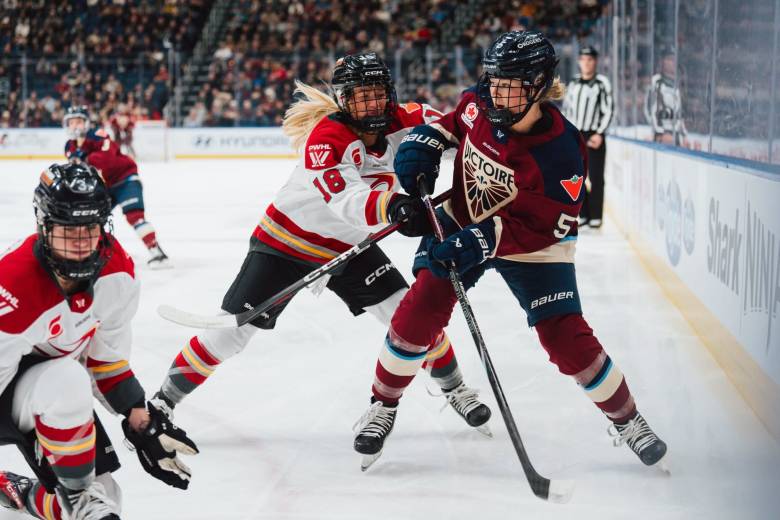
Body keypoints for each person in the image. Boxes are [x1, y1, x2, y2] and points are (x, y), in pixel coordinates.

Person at [152, 53, 491, 468]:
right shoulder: (326, 139)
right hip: (286, 244)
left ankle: (454, 388)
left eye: (377, 94)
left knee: (410, 318)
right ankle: (161, 403)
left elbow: (463, 130)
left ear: (390, 94)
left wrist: (495, 141)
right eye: (360, 96)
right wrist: (394, 207)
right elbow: (347, 200)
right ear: (343, 100)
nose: (370, 104)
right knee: (231, 335)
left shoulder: (411, 119)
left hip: (351, 248)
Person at [353, 31, 668, 469]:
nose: (497, 94)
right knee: (419, 309)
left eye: (510, 86)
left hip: (532, 243)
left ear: (539, 86)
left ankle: (627, 419)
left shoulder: (562, 152)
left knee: (564, 338)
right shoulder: (480, 103)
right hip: (464, 218)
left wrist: (485, 238)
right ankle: (382, 404)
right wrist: (427, 141)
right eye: (494, 82)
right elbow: (453, 123)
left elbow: (548, 224)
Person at [0, 163, 198, 520]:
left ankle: (24, 493)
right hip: (15, 384)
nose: (81, 241)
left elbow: (103, 359)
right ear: (44, 227)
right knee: (66, 381)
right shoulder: (13, 285)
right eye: (67, 230)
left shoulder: (117, 275)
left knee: (105, 500)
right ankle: (77, 496)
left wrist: (139, 418)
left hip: (46, 385)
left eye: (90, 228)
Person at [63, 106, 169, 268]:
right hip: (103, 187)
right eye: (71, 122)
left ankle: (157, 253)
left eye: (78, 121)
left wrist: (86, 158)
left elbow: (107, 159)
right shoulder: (69, 147)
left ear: (86, 123)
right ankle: (91, 255)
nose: (75, 125)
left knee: (134, 215)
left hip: (125, 180)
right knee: (91, 219)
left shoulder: (99, 135)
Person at [563, 45, 613, 228]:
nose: (586, 63)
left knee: (596, 177)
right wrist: (567, 133)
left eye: (590, 59)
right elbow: (567, 109)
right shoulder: (573, 83)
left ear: (595, 61)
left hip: (594, 135)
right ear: (579, 61)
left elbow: (608, 110)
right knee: (576, 176)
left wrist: (600, 133)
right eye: (583, 59)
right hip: (576, 135)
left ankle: (596, 216)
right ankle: (583, 213)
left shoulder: (602, 83)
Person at [644, 47, 687, 146]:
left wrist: (684, 134)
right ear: (662, 61)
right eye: (669, 59)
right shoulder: (656, 81)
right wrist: (659, 132)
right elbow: (649, 109)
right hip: (662, 135)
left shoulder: (678, 84)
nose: (672, 62)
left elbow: (680, 112)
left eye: (674, 59)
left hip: (676, 134)